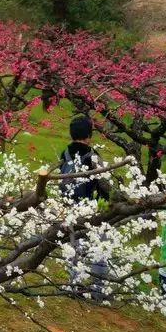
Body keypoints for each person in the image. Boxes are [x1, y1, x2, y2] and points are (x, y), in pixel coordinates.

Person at [59, 115, 111, 301]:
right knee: (100, 247)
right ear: (89, 135)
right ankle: (98, 289)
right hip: (90, 206)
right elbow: (105, 183)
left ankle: (76, 286)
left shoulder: (65, 153)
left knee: (74, 247)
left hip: (69, 207)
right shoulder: (93, 155)